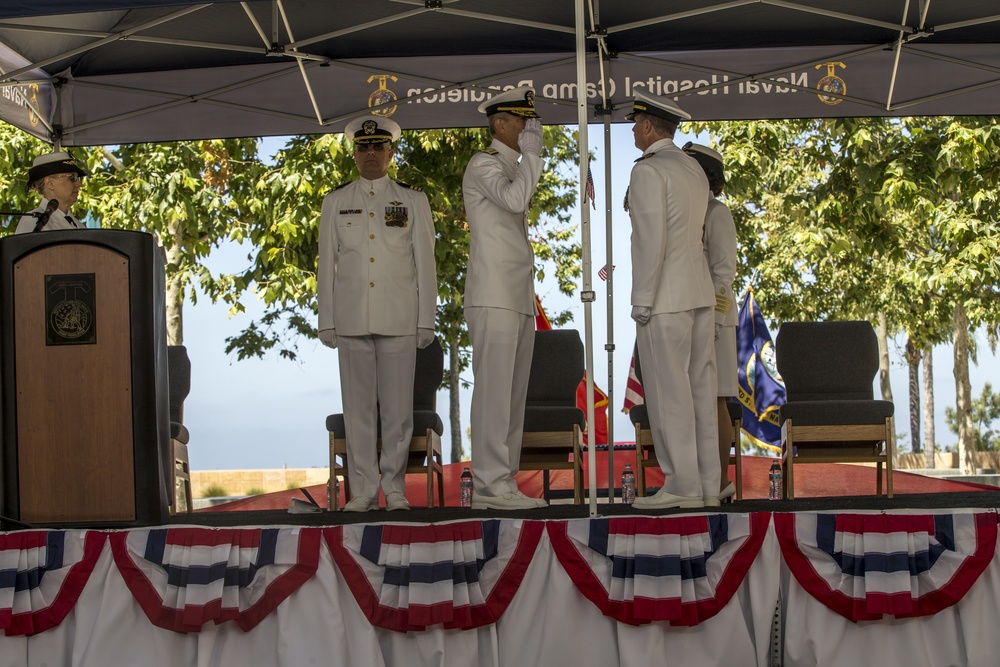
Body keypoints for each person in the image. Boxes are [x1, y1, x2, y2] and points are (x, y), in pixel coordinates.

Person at [317, 115, 437, 512]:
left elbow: (426, 263)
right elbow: (326, 266)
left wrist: (426, 319)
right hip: (351, 318)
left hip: (400, 317)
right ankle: (364, 491)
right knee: (358, 412)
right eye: (363, 147)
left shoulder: (413, 200)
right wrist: (327, 319)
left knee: (399, 412)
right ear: (354, 153)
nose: (370, 153)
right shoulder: (335, 201)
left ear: (390, 152)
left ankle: (396, 488)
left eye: (377, 147)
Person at [625, 91, 720, 510]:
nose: (632, 129)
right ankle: (706, 484)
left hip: (664, 297)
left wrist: (641, 298)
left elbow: (650, 241)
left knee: (669, 393)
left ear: (648, 126)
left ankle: (681, 483)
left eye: (635, 122)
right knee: (700, 391)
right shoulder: (692, 169)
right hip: (699, 292)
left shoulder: (648, 171)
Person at [463, 86, 546, 510]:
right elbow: (515, 199)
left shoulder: (513, 165)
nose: (531, 128)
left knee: (513, 394)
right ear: (500, 124)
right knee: (494, 392)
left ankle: (504, 481)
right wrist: (533, 156)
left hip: (515, 294)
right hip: (492, 293)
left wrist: (527, 158)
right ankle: (488, 485)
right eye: (522, 120)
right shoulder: (485, 163)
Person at [683, 142, 739, 503]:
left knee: (716, 399)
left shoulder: (717, 213)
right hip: (687, 316)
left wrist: (716, 318)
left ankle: (719, 483)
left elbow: (724, 272)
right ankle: (696, 480)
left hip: (715, 320)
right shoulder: (685, 213)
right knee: (688, 401)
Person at [16, 151, 88, 234]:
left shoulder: (79, 226)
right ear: (49, 183)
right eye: (73, 178)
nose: (79, 184)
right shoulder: (32, 222)